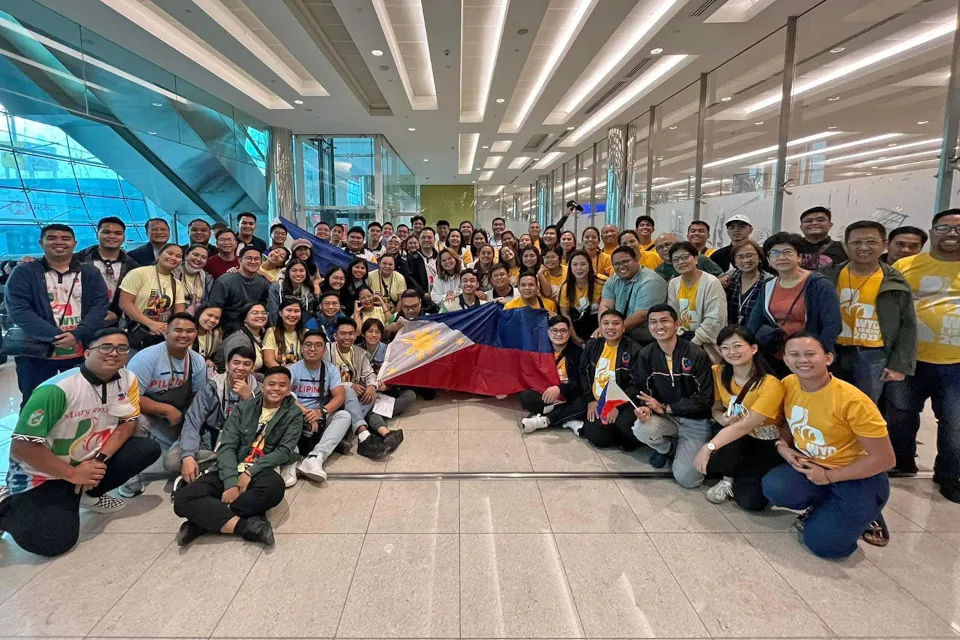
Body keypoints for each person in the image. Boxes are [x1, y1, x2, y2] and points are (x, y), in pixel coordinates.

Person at [0, 329, 160, 557]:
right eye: (105, 347)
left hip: (86, 459)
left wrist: (98, 460)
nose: (114, 353)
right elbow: (22, 447)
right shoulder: (57, 389)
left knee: (145, 449)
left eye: (121, 348)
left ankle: (88, 494)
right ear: (86, 353)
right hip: (41, 473)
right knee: (53, 542)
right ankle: (5, 505)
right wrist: (73, 474)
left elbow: (128, 421)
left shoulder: (128, 379)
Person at [761, 333, 894, 559]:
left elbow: (885, 459)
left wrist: (830, 477)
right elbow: (785, 421)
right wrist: (782, 445)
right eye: (794, 354)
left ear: (829, 358)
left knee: (825, 546)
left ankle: (869, 511)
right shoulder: (788, 384)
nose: (802, 360)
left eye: (810, 354)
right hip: (813, 466)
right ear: (785, 360)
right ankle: (828, 507)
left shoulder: (853, 401)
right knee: (774, 487)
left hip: (857, 476)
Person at [173, 366, 300, 547]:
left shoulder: (293, 414)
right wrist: (231, 483)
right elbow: (227, 447)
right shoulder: (243, 409)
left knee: (274, 489)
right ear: (263, 387)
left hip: (260, 470)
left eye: (282, 385)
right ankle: (244, 526)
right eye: (271, 384)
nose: (276, 389)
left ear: (289, 390)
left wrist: (249, 473)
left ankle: (201, 522)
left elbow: (284, 451)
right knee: (183, 498)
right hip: (229, 467)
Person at [886, 210, 960, 499]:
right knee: (901, 414)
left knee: (954, 421)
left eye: (957, 228)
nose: (951, 233)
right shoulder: (907, 265)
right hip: (909, 356)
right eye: (944, 227)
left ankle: (950, 474)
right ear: (933, 231)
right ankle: (901, 461)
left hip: (956, 361)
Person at [6, 225, 111, 407]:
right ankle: (33, 436)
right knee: (35, 402)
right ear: (41, 243)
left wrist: (77, 334)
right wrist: (55, 336)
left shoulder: (89, 272)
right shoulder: (24, 272)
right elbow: (19, 310)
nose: (59, 242)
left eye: (65, 238)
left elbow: (99, 306)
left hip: (82, 350)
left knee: (83, 400)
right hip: (37, 352)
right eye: (52, 238)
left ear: (74, 243)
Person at [822, 221, 916, 405]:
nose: (863, 247)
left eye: (871, 242)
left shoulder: (894, 280)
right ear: (845, 245)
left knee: (865, 407)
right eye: (856, 242)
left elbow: (907, 324)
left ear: (885, 245)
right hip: (833, 351)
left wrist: (899, 364)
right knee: (829, 403)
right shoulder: (828, 276)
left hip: (874, 356)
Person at [694, 326, 785, 509]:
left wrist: (709, 446)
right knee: (711, 459)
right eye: (725, 348)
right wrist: (722, 419)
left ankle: (743, 473)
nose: (731, 352)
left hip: (764, 439)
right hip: (735, 434)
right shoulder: (717, 372)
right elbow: (716, 408)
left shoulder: (771, 384)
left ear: (753, 348)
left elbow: (746, 424)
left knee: (751, 502)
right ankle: (728, 478)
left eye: (737, 346)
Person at [121, 314, 206, 497]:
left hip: (181, 417)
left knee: (177, 458)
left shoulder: (197, 361)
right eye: (178, 330)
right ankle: (129, 475)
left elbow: (199, 399)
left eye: (190, 331)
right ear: (166, 332)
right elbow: (131, 398)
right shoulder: (145, 359)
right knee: (133, 419)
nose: (184, 335)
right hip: (150, 414)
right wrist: (165, 410)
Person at [632, 304, 714, 487]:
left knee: (688, 480)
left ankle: (685, 447)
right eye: (653, 322)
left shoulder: (696, 354)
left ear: (676, 324)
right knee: (640, 428)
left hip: (695, 421)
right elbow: (645, 392)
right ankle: (666, 448)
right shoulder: (646, 354)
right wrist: (646, 409)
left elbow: (705, 398)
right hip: (666, 418)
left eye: (664, 321)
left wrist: (667, 407)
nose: (658, 326)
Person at [747, 232, 842, 377]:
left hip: (807, 359)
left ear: (799, 257)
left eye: (787, 252)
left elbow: (832, 325)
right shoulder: (769, 285)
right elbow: (755, 321)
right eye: (775, 253)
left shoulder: (819, 284)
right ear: (768, 259)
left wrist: (819, 354)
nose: (781, 257)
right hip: (775, 356)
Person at [164, 345, 260, 484]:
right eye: (236, 362)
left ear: (253, 369)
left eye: (247, 364)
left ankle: (216, 467)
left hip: (240, 442)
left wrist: (248, 399)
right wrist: (188, 456)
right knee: (172, 460)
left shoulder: (258, 390)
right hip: (209, 442)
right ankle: (227, 465)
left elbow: (259, 426)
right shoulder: (210, 388)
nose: (240, 368)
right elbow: (193, 422)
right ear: (227, 366)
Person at [327, 318, 404, 458]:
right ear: (335, 335)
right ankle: (363, 435)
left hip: (354, 396)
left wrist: (371, 386)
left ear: (355, 335)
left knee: (372, 394)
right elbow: (326, 377)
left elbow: (369, 374)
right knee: (349, 390)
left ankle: (350, 429)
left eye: (350, 334)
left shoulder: (359, 353)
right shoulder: (327, 351)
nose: (347, 337)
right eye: (343, 334)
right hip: (334, 393)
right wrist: (349, 384)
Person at [284, 330, 353, 484]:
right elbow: (285, 394)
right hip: (297, 414)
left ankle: (315, 457)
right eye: (308, 345)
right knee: (288, 406)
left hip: (320, 414)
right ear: (301, 348)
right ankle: (291, 462)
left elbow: (340, 396)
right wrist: (306, 413)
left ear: (324, 349)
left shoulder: (330, 369)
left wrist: (320, 412)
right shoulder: (292, 369)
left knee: (345, 416)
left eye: (318, 345)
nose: (312, 349)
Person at [577, 310, 643, 448]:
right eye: (605, 323)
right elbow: (583, 372)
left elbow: (637, 384)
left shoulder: (634, 350)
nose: (610, 327)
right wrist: (590, 400)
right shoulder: (592, 346)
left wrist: (617, 405)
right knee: (598, 437)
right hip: (597, 400)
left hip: (623, 401)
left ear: (623, 327)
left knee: (626, 429)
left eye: (616, 323)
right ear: (600, 327)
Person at [519, 315, 586, 433]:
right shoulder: (540, 350)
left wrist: (559, 389)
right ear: (548, 333)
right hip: (546, 394)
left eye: (563, 330)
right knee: (526, 397)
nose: (559, 334)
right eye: (554, 330)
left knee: (584, 402)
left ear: (569, 333)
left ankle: (547, 419)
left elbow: (578, 382)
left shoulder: (578, 353)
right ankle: (567, 418)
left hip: (569, 395)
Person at [118, 243, 186, 350]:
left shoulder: (177, 284)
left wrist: (170, 328)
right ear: (159, 255)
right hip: (136, 332)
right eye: (169, 253)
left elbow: (179, 312)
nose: (173, 258)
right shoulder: (139, 273)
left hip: (160, 336)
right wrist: (151, 324)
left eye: (178, 256)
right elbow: (125, 303)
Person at [667, 242, 727, 359]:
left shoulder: (711, 282)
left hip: (706, 344)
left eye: (685, 257)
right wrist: (680, 338)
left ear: (695, 258)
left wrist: (694, 343)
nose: (681, 262)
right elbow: (672, 314)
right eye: (676, 259)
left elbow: (715, 319)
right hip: (682, 338)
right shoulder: (674, 283)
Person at [599, 246, 668, 345]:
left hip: (649, 341)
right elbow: (605, 305)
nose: (621, 266)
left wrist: (611, 331)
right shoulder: (614, 279)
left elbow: (641, 316)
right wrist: (604, 327)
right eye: (616, 264)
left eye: (625, 262)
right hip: (621, 335)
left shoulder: (651, 281)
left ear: (636, 259)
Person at [77, 217, 139, 326]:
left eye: (118, 233)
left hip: (116, 323)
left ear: (123, 237)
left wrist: (116, 313)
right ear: (97, 234)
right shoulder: (78, 260)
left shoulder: (133, 266)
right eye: (106, 232)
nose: (112, 236)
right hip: (81, 320)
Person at [207, 245, 271, 335]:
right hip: (229, 330)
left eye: (256, 259)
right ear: (240, 260)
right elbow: (214, 308)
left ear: (261, 261)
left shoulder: (263, 282)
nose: (253, 262)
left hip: (255, 327)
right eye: (249, 258)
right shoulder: (224, 281)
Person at [725, 240, 773, 326]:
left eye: (750, 256)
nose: (746, 260)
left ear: (760, 258)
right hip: (728, 333)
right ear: (734, 261)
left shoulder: (769, 282)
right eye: (740, 257)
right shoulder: (728, 278)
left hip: (755, 335)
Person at [559, 250, 604, 341]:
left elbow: (607, 309)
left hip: (599, 325)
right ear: (570, 267)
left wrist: (602, 328)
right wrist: (574, 337)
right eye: (575, 264)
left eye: (583, 264)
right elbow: (565, 314)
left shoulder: (601, 283)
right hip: (576, 328)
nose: (579, 268)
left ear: (590, 265)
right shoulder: (566, 288)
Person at [219, 302, 269, 372]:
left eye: (264, 313)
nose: (260, 315)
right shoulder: (239, 340)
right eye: (255, 313)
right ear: (244, 318)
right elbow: (236, 371)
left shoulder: (265, 333)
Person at [654, 233, 723, 281]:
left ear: (676, 244)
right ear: (656, 251)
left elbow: (723, 278)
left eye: (668, 244)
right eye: (660, 247)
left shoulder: (700, 259)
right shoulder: (658, 272)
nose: (665, 249)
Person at [797, 206, 847, 270]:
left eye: (820, 220)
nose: (814, 223)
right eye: (808, 221)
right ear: (801, 227)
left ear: (830, 225)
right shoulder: (793, 247)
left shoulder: (844, 248)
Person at [268, 259, 316, 325]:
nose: (298, 274)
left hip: (298, 328)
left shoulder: (308, 292)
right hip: (277, 327)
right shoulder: (276, 287)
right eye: (294, 270)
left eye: (301, 270)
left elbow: (306, 315)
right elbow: (273, 312)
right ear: (288, 272)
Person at [263, 297, 304, 367]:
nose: (293, 315)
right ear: (280, 313)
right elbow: (268, 360)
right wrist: (284, 374)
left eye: (297, 311)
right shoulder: (271, 332)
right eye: (289, 310)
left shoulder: (306, 333)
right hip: (279, 373)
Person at [175, 244, 213, 316]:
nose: (198, 259)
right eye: (195, 255)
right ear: (186, 256)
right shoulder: (173, 272)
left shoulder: (208, 279)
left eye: (204, 257)